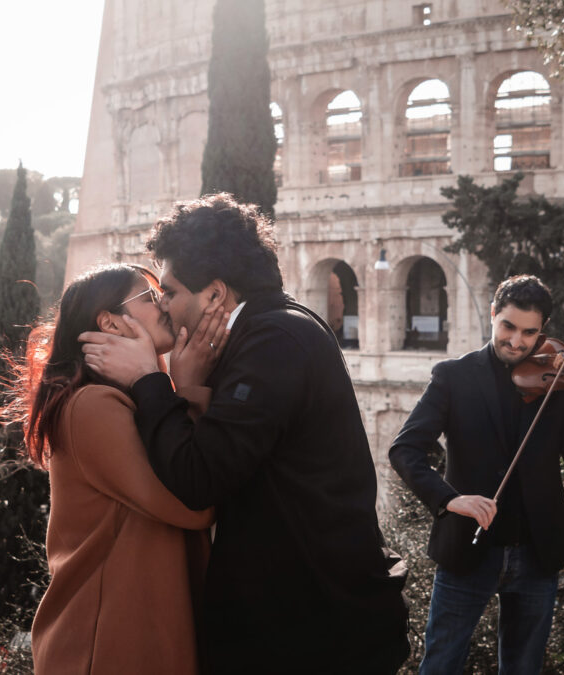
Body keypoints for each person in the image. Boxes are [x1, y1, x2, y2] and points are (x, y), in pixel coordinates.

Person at [80, 194, 410, 674]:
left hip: (315, 636)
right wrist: (187, 384)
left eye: (169, 292)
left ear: (215, 294)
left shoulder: (275, 342)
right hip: (303, 626)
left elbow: (199, 478)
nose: (164, 307)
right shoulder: (271, 331)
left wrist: (149, 380)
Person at [389, 274, 564, 674]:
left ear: (542, 331)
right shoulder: (453, 376)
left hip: (538, 552)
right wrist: (450, 499)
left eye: (530, 332)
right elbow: (405, 450)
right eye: (508, 326)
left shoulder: (557, 383)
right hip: (467, 549)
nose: (517, 341)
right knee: (440, 664)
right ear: (493, 314)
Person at [9, 264, 226, 674]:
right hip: (102, 647)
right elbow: (194, 503)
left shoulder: (121, 402)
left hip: (129, 639)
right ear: (110, 321)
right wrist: (192, 387)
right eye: (147, 297)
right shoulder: (92, 407)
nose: (163, 302)